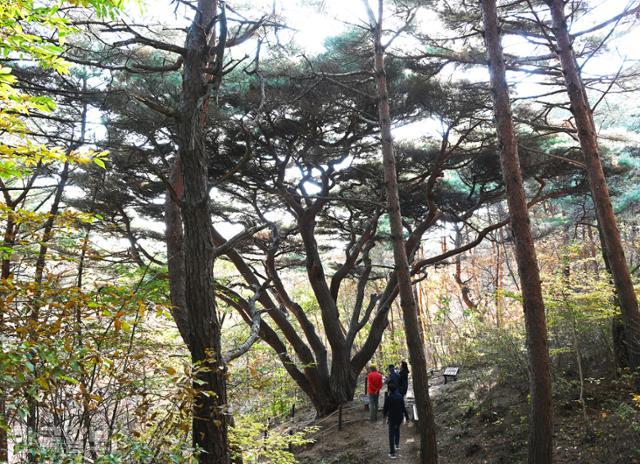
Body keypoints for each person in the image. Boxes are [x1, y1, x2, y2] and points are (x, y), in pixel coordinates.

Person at [383, 383, 408, 459]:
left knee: (391, 434)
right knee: (397, 430)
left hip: (392, 418)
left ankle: (392, 453)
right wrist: (407, 417)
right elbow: (403, 408)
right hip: (400, 417)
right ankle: (397, 445)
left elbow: (385, 409)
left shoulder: (389, 398)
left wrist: (384, 416)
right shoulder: (400, 396)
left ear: (389, 390)